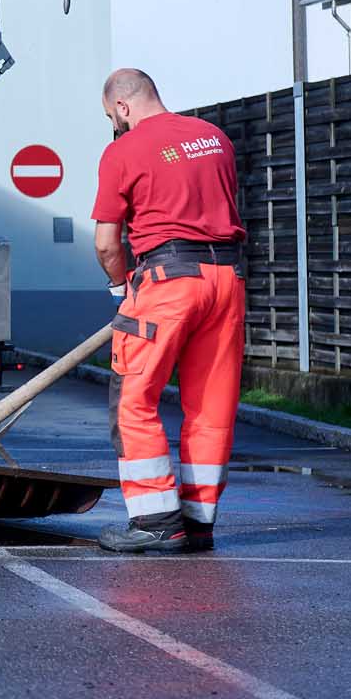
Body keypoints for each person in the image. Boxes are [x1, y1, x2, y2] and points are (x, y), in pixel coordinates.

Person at [91, 68, 247, 554]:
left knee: (135, 399)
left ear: (122, 107)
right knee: (210, 406)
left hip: (167, 281)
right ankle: (199, 521)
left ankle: (156, 520)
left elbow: (105, 242)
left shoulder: (124, 150)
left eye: (113, 119)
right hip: (228, 280)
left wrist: (120, 287)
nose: (116, 128)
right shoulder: (215, 138)